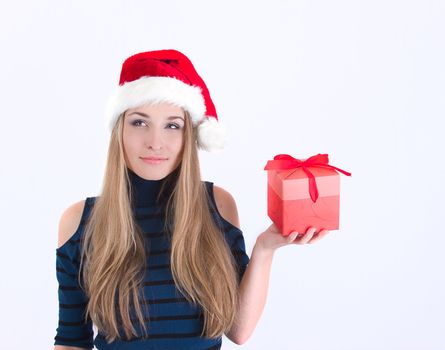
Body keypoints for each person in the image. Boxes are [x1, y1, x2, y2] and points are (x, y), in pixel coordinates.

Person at [53, 49, 330, 350]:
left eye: (172, 125)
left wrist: (265, 248)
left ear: (189, 136)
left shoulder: (217, 206)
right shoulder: (79, 222)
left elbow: (238, 330)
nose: (155, 142)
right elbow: (72, 340)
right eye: (139, 122)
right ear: (119, 130)